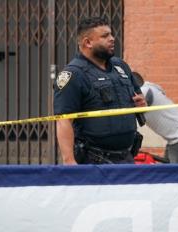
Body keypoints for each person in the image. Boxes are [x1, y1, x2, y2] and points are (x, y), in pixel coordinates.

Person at [53, 17, 146, 165]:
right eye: (104, 36)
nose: (112, 39)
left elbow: (139, 101)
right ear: (87, 42)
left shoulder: (120, 66)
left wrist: (142, 105)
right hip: (94, 160)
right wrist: (69, 161)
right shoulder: (74, 74)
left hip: (126, 158)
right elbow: (63, 120)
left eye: (111, 34)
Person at [132, 72, 178, 163]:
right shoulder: (150, 87)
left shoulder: (144, 91)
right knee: (168, 171)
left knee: (177, 175)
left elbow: (130, 113)